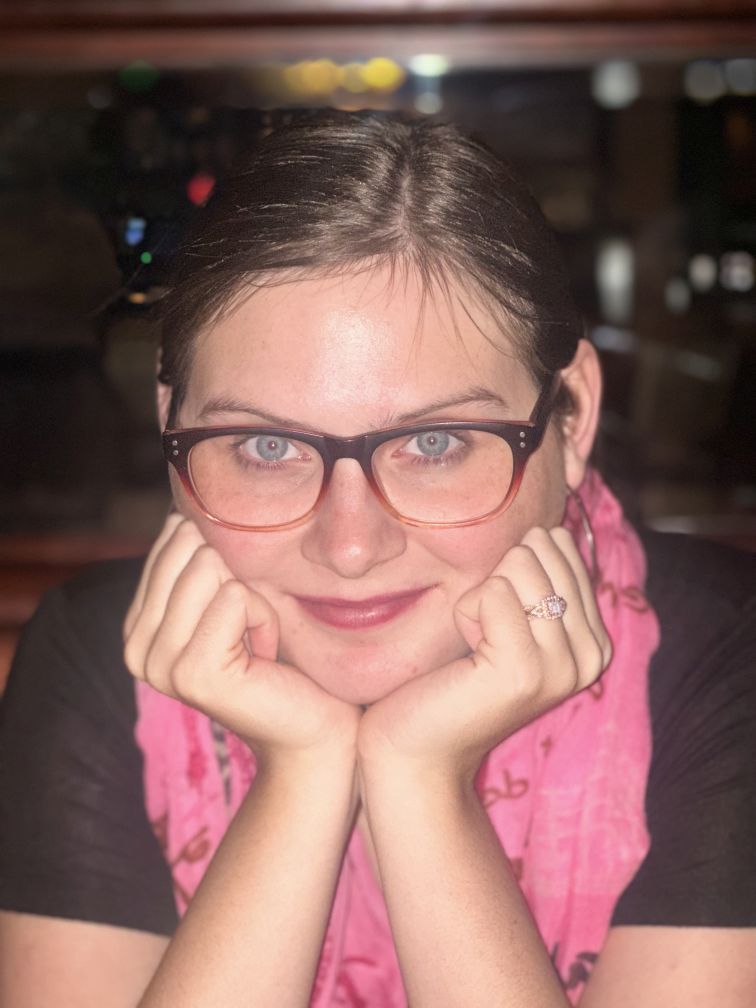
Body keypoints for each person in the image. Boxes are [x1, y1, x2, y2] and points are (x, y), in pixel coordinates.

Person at [0, 110, 754, 1008]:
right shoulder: (92, 656)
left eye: (435, 442)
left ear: (571, 417)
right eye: (267, 447)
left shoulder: (729, 657)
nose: (350, 546)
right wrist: (299, 774)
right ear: (174, 424)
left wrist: (422, 782)